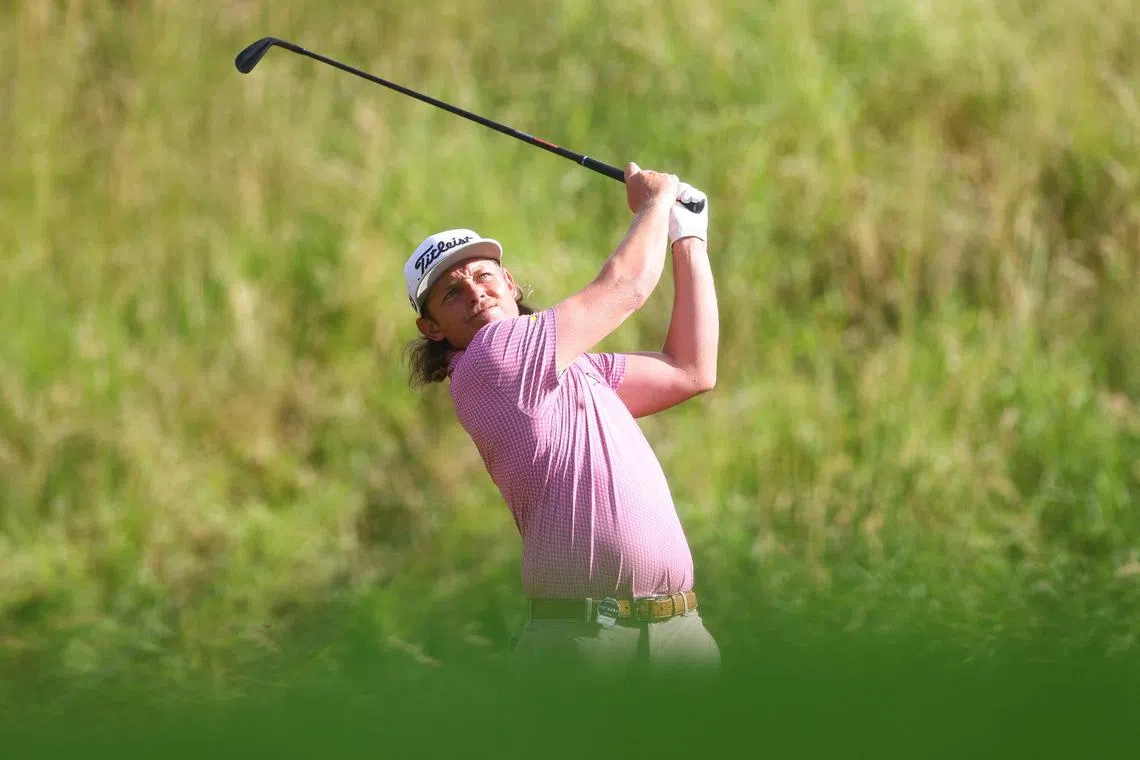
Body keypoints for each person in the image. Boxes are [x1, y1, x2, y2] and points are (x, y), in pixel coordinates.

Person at [403, 163, 720, 678]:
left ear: (507, 282)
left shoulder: (574, 368)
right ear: (432, 327)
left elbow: (690, 370)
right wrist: (656, 202)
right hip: (585, 645)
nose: (476, 293)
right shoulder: (492, 359)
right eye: (451, 293)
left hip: (678, 634)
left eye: (482, 275)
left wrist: (689, 235)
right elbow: (626, 287)